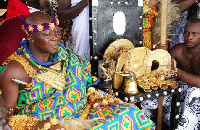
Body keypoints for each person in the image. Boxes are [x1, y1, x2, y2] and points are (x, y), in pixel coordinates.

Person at [0, 11, 155, 129]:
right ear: (31, 37)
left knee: (130, 112)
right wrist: (41, 125)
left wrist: (95, 98)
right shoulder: (16, 69)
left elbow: (86, 87)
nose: (55, 38)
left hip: (83, 111)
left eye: (57, 32)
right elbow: (7, 118)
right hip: (48, 124)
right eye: (47, 34)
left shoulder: (68, 57)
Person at [142, 18, 200, 129]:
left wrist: (177, 72)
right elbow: (161, 68)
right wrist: (157, 53)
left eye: (195, 34)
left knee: (195, 92)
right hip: (182, 87)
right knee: (147, 96)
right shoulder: (179, 49)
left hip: (196, 92)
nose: (189, 37)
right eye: (186, 33)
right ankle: (149, 125)